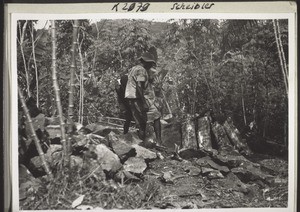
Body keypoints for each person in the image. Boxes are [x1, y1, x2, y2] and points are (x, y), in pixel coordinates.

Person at [123, 50, 163, 146]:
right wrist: (144, 101)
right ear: (146, 62)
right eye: (150, 64)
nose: (151, 66)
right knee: (156, 116)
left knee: (141, 123)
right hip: (138, 98)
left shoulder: (133, 68)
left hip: (131, 99)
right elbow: (139, 85)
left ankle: (144, 145)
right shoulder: (141, 70)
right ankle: (158, 141)